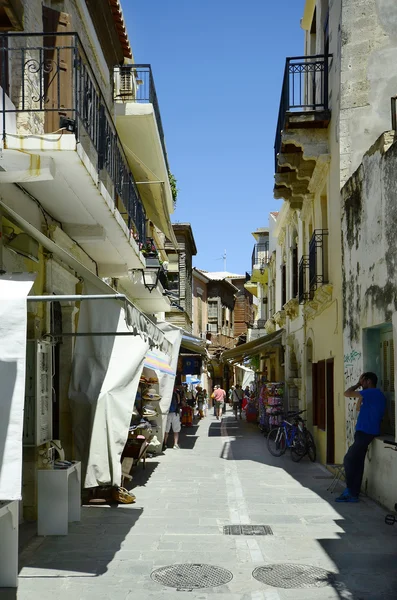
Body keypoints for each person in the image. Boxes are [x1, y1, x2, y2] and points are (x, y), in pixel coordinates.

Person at [336, 372, 386, 503]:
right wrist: (361, 395)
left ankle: (350, 491)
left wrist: (357, 384)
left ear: (368, 381)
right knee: (357, 463)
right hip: (363, 431)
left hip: (366, 432)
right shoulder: (371, 395)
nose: (361, 383)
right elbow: (358, 408)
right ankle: (354, 493)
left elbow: (347, 393)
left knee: (349, 459)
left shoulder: (372, 392)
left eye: (362, 381)